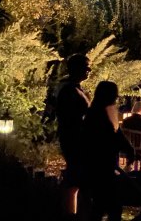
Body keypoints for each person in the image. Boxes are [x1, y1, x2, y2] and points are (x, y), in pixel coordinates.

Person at [80, 81, 138, 221]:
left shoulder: (106, 110)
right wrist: (126, 148)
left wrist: (128, 149)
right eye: (114, 94)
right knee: (108, 203)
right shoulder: (96, 114)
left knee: (104, 204)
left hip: (106, 163)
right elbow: (109, 137)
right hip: (100, 164)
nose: (116, 97)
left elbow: (116, 133)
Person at [55, 53, 91, 217]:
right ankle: (71, 213)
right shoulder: (69, 91)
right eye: (86, 66)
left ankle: (72, 212)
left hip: (77, 139)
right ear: (75, 68)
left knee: (76, 178)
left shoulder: (75, 89)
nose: (89, 70)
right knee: (76, 176)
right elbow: (69, 117)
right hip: (74, 140)